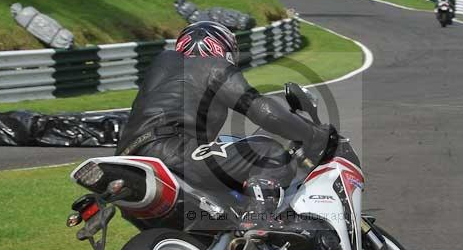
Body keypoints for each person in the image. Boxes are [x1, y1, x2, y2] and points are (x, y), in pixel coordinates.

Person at [115, 21, 333, 231]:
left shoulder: (160, 68)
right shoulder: (213, 66)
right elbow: (263, 112)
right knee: (269, 151)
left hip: (128, 160)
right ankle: (258, 219)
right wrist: (313, 134)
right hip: (172, 150)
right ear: (222, 47)